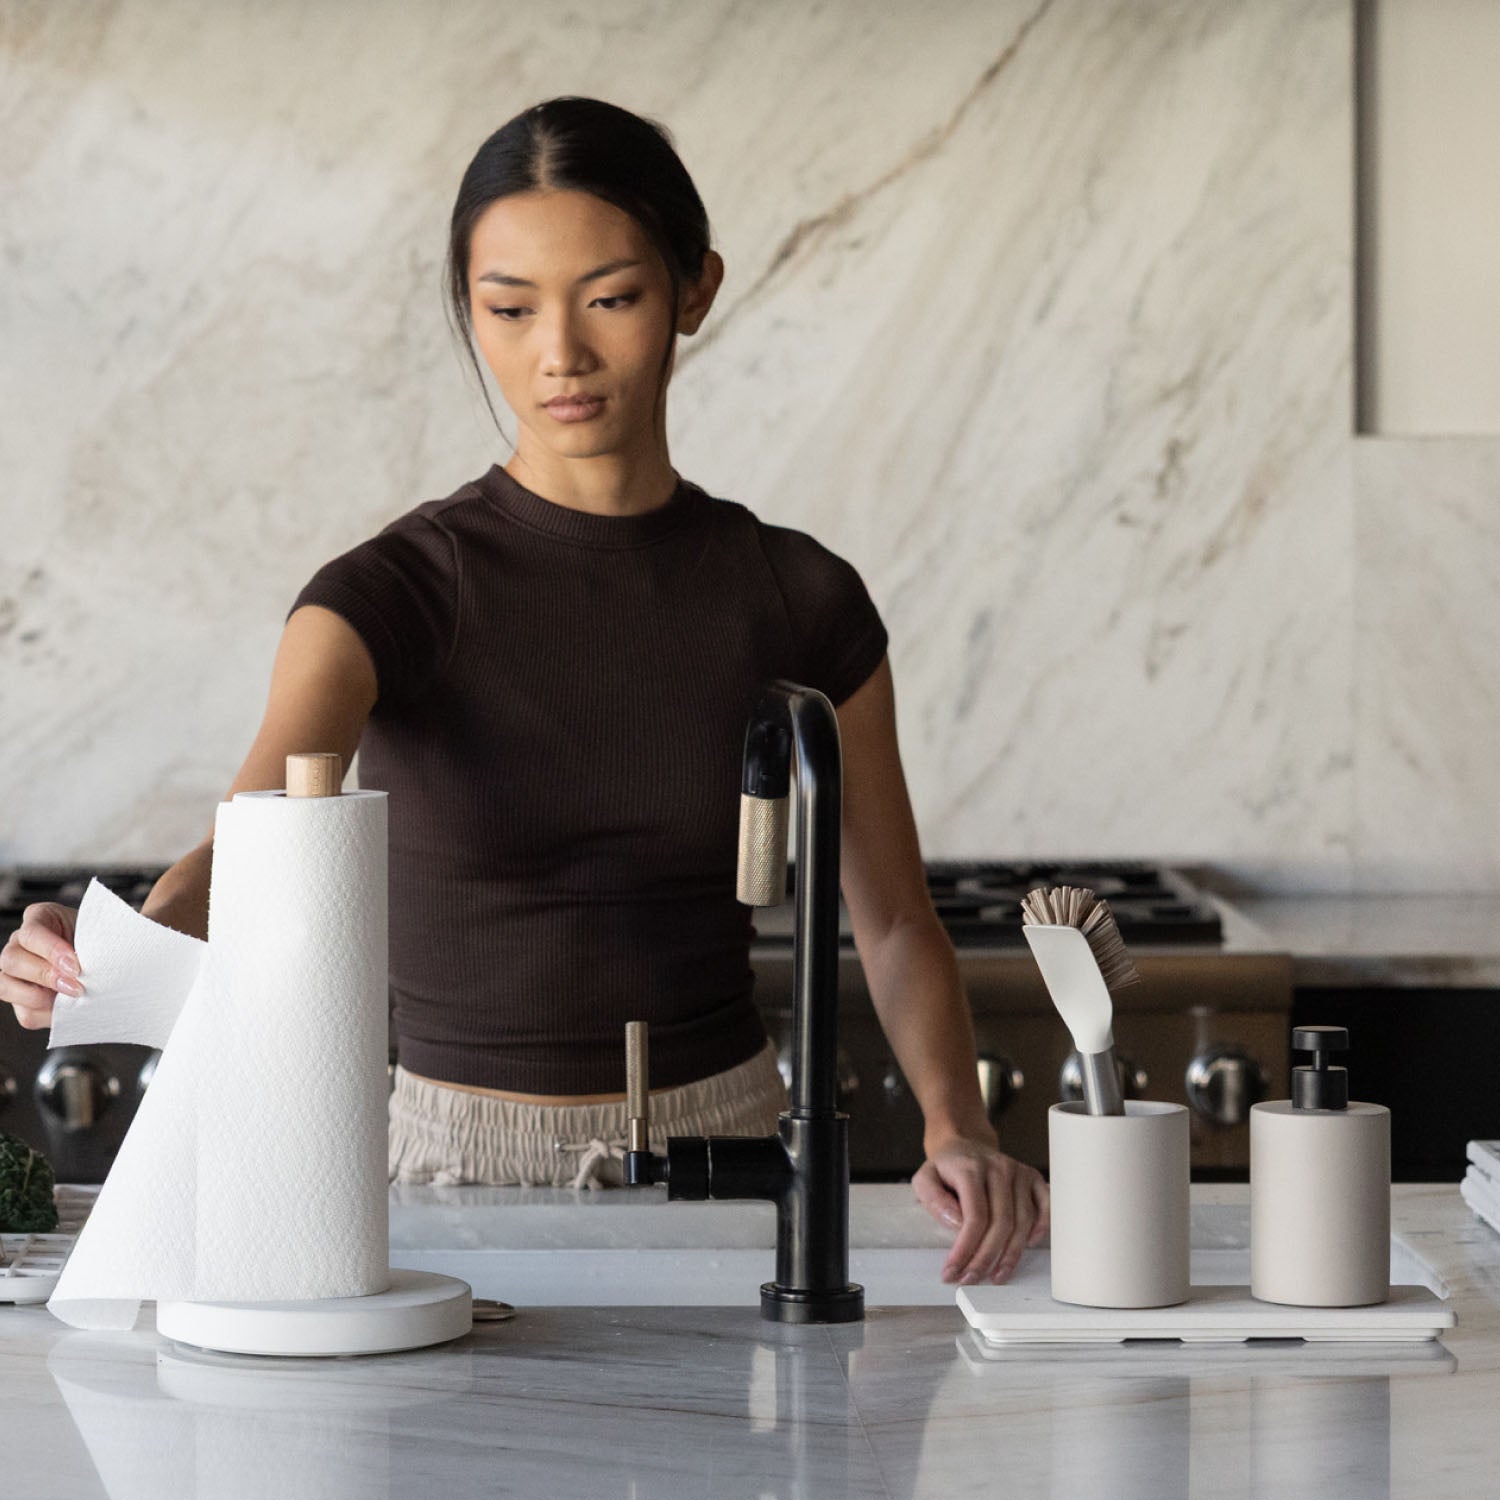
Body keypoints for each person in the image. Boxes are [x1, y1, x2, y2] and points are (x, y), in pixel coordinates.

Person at [0, 97, 1046, 1287]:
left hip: (737, 1150)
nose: (560, 353)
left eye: (611, 298)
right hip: (448, 1164)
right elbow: (250, 841)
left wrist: (960, 1126)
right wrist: (103, 949)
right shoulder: (388, 593)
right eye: (508, 309)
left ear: (694, 291)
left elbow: (896, 918)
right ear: (468, 309)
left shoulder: (799, 595)